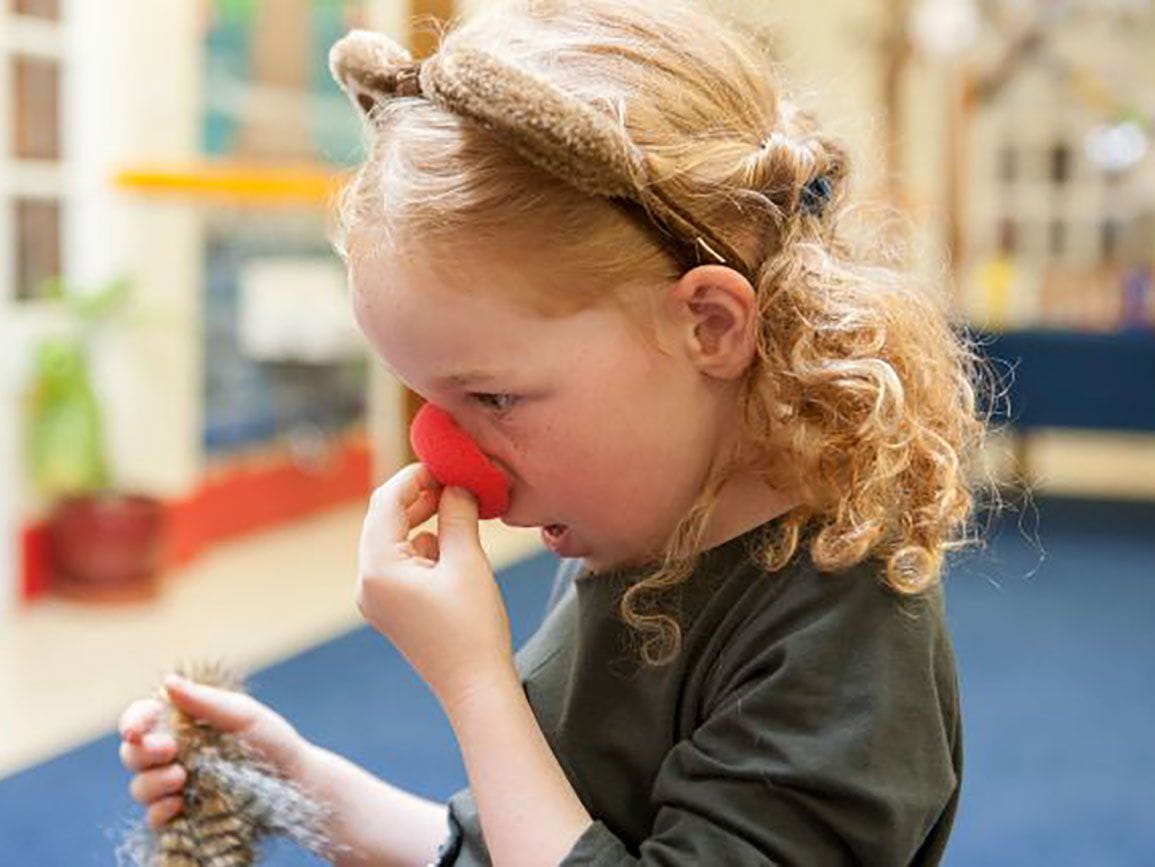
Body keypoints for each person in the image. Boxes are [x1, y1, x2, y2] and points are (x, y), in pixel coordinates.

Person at [118, 0, 987, 863]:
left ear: (711, 326)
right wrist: (307, 790)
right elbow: (526, 841)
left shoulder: (841, 644)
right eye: (426, 400)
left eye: (492, 397)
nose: (447, 456)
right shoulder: (640, 529)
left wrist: (477, 684)